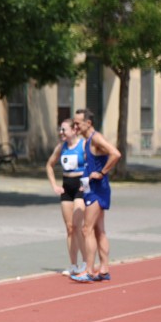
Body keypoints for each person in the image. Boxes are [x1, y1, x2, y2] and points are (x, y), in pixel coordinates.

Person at [70, 108, 121, 284]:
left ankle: (89, 271)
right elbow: (90, 165)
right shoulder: (87, 141)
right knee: (99, 230)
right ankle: (104, 269)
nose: (75, 127)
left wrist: (102, 172)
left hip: (98, 190)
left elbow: (116, 154)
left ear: (88, 123)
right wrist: (85, 182)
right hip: (92, 189)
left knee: (87, 229)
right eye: (74, 124)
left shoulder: (96, 138)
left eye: (77, 123)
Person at [45, 120, 87, 277]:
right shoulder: (61, 147)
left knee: (78, 226)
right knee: (70, 228)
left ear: (74, 130)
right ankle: (73, 265)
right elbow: (49, 165)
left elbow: (92, 165)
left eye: (64, 130)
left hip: (80, 187)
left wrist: (87, 184)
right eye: (60, 130)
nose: (61, 132)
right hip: (66, 188)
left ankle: (86, 263)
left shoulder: (83, 145)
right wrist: (54, 186)